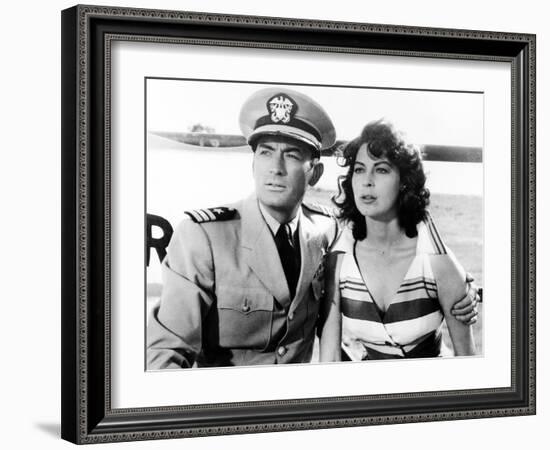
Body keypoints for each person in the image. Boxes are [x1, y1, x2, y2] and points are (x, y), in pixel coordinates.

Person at [147, 87, 340, 368]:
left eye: (292, 155)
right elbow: (165, 352)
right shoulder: (203, 236)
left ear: (315, 173)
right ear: (253, 164)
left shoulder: (325, 230)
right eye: (265, 152)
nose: (275, 167)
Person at [319, 119, 477, 361]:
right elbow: (328, 361)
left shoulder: (437, 262)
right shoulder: (339, 261)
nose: (366, 180)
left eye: (381, 169)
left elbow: (468, 363)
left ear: (404, 181)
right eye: (359, 169)